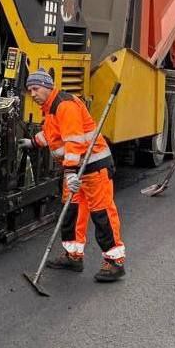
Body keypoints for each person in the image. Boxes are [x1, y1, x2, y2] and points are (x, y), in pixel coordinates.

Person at [21, 69, 126, 282]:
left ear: (48, 87)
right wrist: (33, 142)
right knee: (72, 212)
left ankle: (115, 262)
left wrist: (69, 172)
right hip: (76, 170)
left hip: (93, 167)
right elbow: (54, 135)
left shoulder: (65, 105)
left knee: (102, 214)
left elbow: (74, 141)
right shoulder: (51, 109)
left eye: (36, 88)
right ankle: (73, 256)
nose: (32, 93)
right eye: (30, 89)